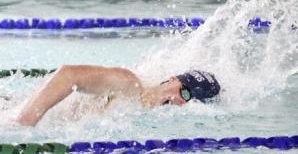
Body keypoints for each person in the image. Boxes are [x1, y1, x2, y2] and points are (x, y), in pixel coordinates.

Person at [16, 65, 220, 126]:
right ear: (172, 79)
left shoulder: (149, 117)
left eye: (189, 100)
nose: (180, 100)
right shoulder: (129, 85)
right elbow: (69, 74)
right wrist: (25, 123)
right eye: (183, 91)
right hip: (15, 110)